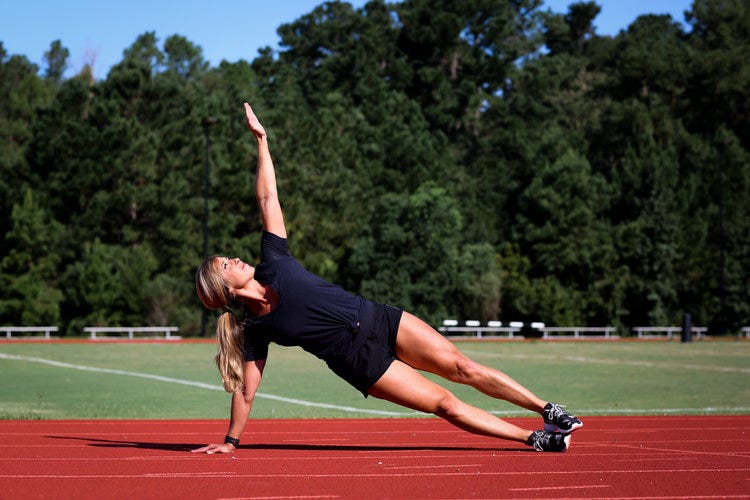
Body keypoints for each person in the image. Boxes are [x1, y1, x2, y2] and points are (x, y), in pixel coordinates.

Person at [192, 103, 582, 455]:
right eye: (227, 264)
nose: (236, 259)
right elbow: (246, 390)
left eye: (229, 257)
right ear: (225, 290)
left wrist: (262, 141)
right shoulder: (257, 329)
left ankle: (548, 411)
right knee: (445, 404)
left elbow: (267, 198)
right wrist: (230, 441)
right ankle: (536, 439)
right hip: (363, 363)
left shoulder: (274, 261)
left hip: (381, 319)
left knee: (463, 367)